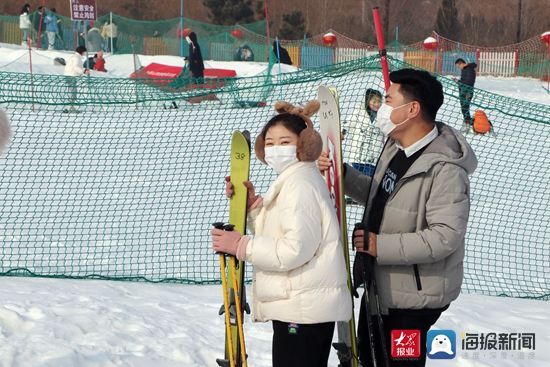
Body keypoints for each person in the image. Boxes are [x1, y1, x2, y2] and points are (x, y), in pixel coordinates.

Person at [319, 68, 478, 366]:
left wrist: (380, 245)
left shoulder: (445, 170)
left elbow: (444, 237)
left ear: (412, 109)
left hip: (412, 302)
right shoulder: (396, 147)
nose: (382, 107)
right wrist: (342, 174)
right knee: (370, 358)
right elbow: (381, 195)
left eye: (389, 100)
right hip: (381, 286)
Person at [212, 101, 352, 367]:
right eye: (271, 143)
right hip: (302, 308)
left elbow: (294, 249)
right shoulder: (295, 179)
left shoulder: (299, 185)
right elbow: (283, 232)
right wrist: (253, 208)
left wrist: (242, 246)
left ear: (304, 145)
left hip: (303, 311)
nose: (276, 149)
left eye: (285, 141)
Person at [344, 88, 384, 173]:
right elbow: (349, 122)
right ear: (368, 100)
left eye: (379, 101)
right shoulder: (359, 112)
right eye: (374, 101)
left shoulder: (382, 116)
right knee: (357, 179)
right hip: (357, 157)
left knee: (368, 181)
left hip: (373, 158)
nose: (377, 104)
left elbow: (387, 134)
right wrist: (342, 132)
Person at [454, 58, 477, 132]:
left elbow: (469, 83)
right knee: (464, 109)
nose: (458, 68)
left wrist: (459, 82)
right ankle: (468, 123)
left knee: (465, 108)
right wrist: (458, 81)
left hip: (467, 92)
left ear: (461, 63)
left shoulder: (469, 69)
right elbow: (464, 81)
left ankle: (470, 124)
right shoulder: (464, 69)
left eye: (458, 66)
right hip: (463, 91)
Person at [64, 46, 89, 113]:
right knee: (73, 92)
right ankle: (70, 108)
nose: (84, 53)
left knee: (72, 92)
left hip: (69, 75)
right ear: (82, 51)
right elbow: (76, 67)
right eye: (84, 52)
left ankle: (70, 107)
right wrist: (84, 71)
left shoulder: (74, 56)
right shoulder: (77, 58)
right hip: (71, 76)